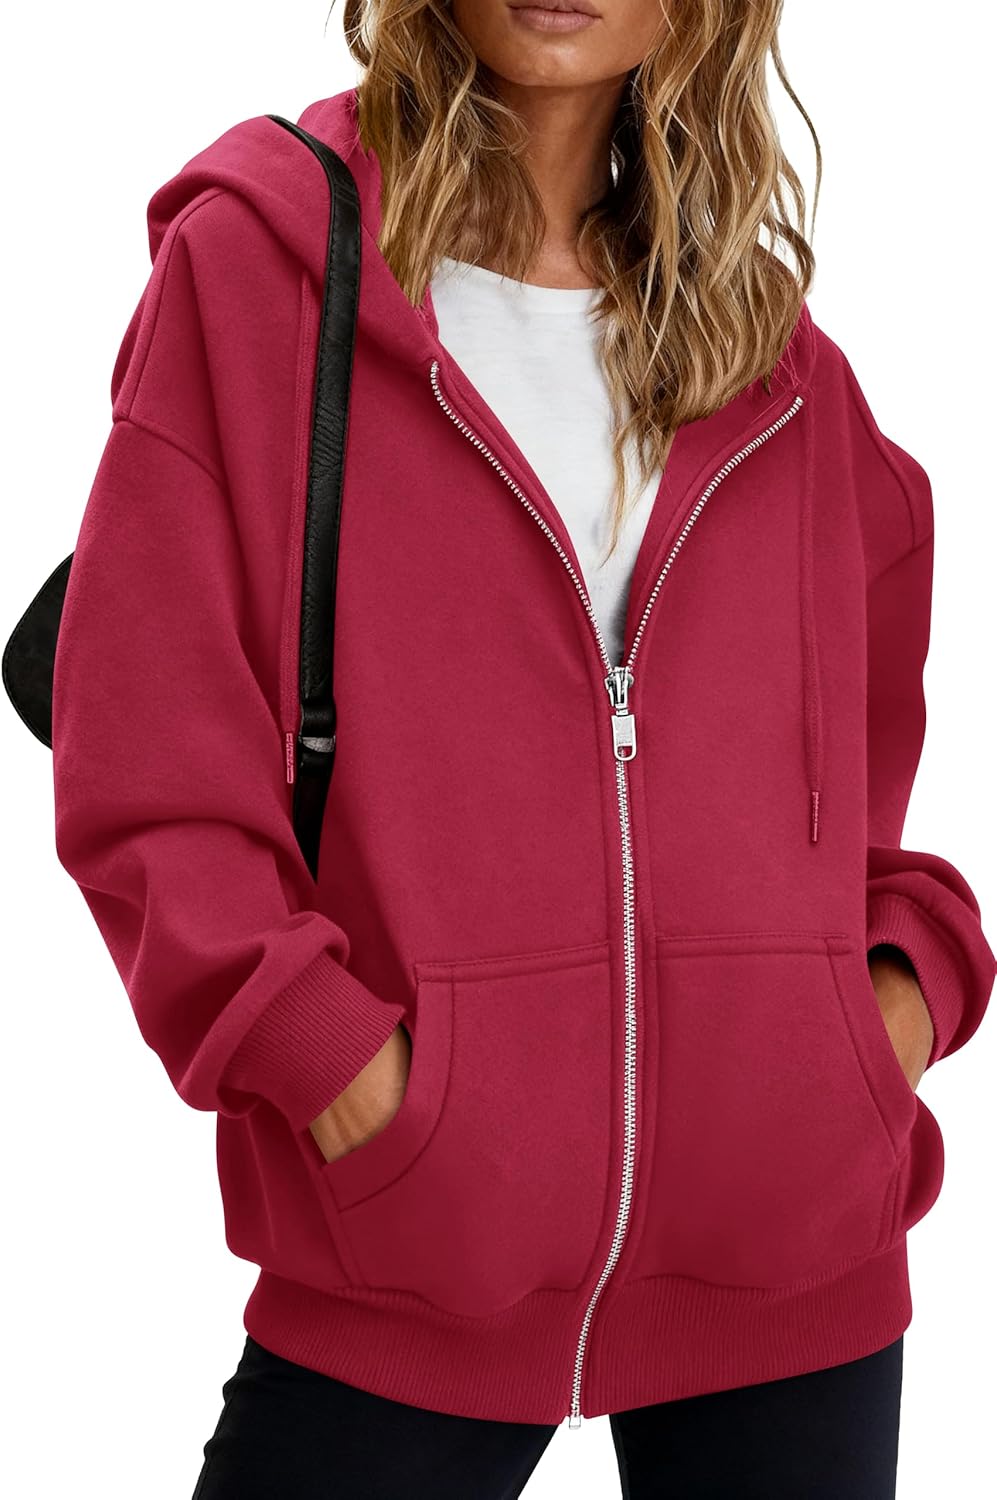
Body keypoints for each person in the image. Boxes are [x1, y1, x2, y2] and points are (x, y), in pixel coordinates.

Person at [50, 2, 995, 1497]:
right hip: (412, 1249)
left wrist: (884, 1007)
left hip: (791, 1265)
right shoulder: (262, 276)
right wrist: (337, 1068)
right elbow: (146, 759)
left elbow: (861, 799)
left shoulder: (775, 358)